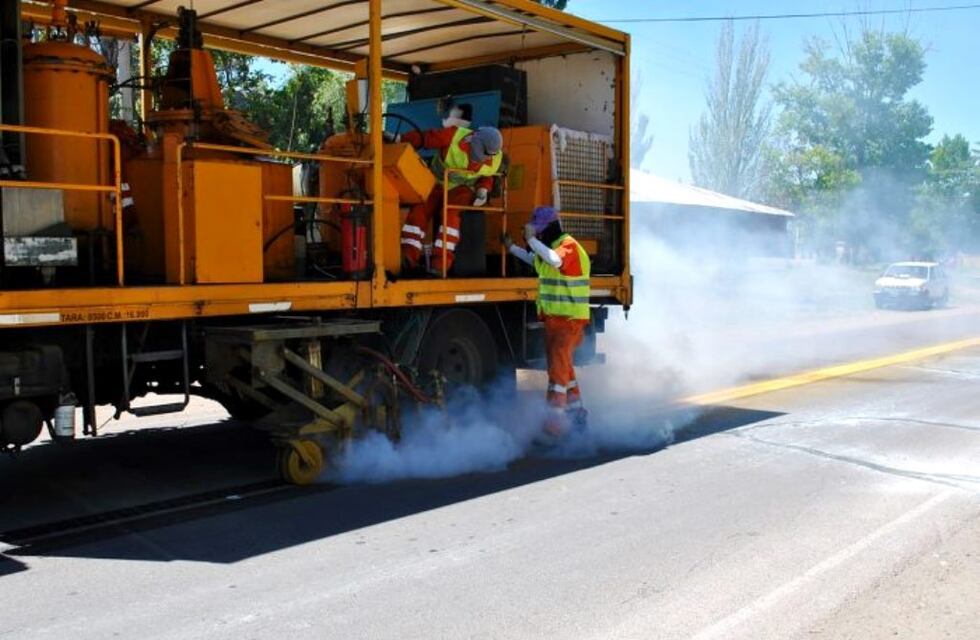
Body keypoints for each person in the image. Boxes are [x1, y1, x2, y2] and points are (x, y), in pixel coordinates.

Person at [504, 206, 591, 437]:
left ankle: (555, 423)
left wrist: (531, 240)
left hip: (569, 322)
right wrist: (512, 248)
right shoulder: (552, 248)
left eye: (540, 231)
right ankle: (576, 414)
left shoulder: (568, 246)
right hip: (556, 321)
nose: (538, 234)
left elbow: (553, 260)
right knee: (565, 368)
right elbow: (536, 260)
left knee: (557, 372)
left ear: (550, 228)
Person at [399, 125, 503, 275]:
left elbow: (487, 176)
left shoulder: (496, 158)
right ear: (474, 141)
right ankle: (408, 259)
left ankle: (440, 266)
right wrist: (400, 139)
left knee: (451, 216)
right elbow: (426, 138)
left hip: (461, 190)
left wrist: (483, 189)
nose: (485, 158)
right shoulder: (453, 136)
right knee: (419, 213)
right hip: (435, 184)